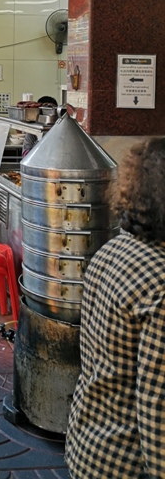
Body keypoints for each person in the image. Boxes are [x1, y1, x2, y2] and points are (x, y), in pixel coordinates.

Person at [65, 138, 165, 478]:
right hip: (129, 461)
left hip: (87, 440)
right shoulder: (161, 284)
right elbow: (157, 407)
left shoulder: (115, 249)